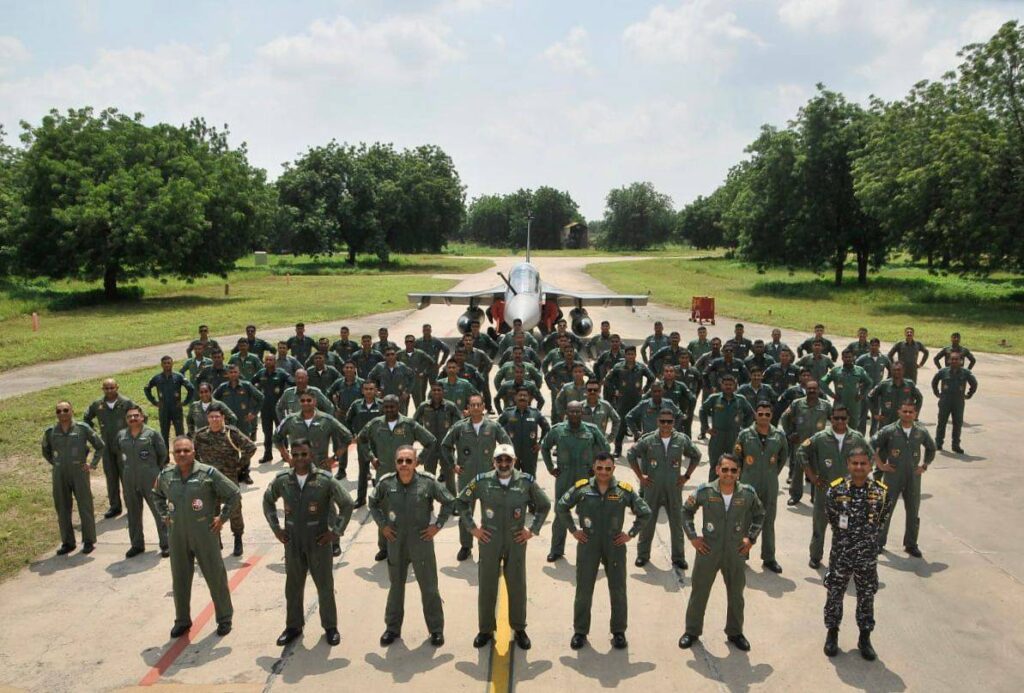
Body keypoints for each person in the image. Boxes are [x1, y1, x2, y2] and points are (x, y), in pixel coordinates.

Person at [456, 444, 551, 650]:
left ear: (514, 461)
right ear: (494, 462)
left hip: (516, 540)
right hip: (489, 540)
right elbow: (462, 502)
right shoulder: (481, 481)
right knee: (487, 585)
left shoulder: (526, 482)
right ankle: (485, 629)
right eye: (500, 460)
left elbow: (544, 505)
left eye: (508, 460)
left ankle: (519, 628)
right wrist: (473, 529)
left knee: (517, 585)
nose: (504, 464)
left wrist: (532, 530)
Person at [264, 438, 354, 647]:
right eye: (295, 455)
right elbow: (268, 501)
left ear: (311, 455)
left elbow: (347, 503)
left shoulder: (325, 480)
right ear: (290, 456)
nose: (299, 459)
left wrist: (336, 532)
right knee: (293, 587)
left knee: (324, 586)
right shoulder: (283, 480)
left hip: (318, 542)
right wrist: (276, 529)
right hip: (293, 541)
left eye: (304, 454)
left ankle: (330, 627)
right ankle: (293, 626)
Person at [558, 452, 651, 650]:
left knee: (618, 589)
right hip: (588, 544)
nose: (603, 472)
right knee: (584, 590)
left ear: (613, 469)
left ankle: (619, 631)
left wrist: (631, 533)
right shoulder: (582, 488)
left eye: (608, 469)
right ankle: (580, 631)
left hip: (614, 545)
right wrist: (574, 531)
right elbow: (561, 507)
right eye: (599, 468)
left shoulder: (623, 490)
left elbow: (645, 512)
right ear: (594, 468)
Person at [152, 435, 239, 638]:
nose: (182, 454)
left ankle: (224, 618)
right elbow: (156, 495)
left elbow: (233, 494)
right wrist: (164, 515)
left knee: (215, 577)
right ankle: (182, 620)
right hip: (177, 534)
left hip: (204, 534)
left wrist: (222, 518)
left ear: (194, 452)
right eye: (178, 451)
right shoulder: (166, 476)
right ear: (173, 454)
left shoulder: (207, 473)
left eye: (186, 450)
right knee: (180, 579)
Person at [679, 454, 765, 652]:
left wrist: (750, 539)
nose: (729, 474)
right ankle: (692, 631)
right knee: (699, 591)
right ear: (717, 470)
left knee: (736, 594)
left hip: (735, 551)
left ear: (739, 473)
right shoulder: (705, 491)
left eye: (733, 470)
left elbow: (760, 514)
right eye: (724, 469)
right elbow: (685, 512)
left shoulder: (747, 493)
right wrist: (693, 537)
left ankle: (735, 632)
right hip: (708, 550)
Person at [372, 446, 455, 648]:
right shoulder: (386, 482)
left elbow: (450, 502)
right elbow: (372, 503)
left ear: (416, 462)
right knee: (396, 587)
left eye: (408, 461)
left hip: (421, 542)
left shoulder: (428, 482)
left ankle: (436, 630)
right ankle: (392, 628)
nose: (404, 465)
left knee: (429, 588)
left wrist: (437, 526)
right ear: (395, 463)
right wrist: (383, 526)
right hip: (396, 542)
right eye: (400, 461)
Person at [822, 446, 891, 661]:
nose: (859, 467)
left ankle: (865, 637)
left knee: (866, 596)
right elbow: (832, 519)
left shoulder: (881, 492)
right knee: (835, 593)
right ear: (848, 465)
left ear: (870, 466)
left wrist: (865, 541)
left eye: (863, 463)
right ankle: (832, 634)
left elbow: (881, 520)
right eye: (855, 463)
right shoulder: (836, 490)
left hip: (867, 555)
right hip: (841, 553)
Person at [359, 395, 437, 560]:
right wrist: (371, 457)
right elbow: (361, 439)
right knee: (384, 512)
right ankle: (384, 547)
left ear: (399, 406)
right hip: (384, 477)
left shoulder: (409, 425)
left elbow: (430, 441)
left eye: (392, 407)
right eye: (386, 407)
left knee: (409, 513)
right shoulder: (375, 424)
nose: (389, 410)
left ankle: (410, 548)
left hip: (408, 477)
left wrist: (419, 460)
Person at [798, 405, 873, 569]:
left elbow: (871, 456)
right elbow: (801, 452)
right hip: (824, 491)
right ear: (830, 419)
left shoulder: (857, 438)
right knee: (819, 525)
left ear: (848, 419)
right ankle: (815, 556)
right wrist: (812, 476)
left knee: (845, 528)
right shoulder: (820, 437)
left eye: (843, 418)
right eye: (836, 418)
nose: (840, 421)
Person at [441, 394, 512, 561]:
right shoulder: (460, 427)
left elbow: (506, 445)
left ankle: (491, 545)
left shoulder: (493, 427)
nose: (475, 408)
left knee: (491, 512)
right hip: (467, 479)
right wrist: (453, 465)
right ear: (467, 408)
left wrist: (501, 466)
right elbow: (445, 446)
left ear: (484, 407)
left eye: (478, 404)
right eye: (472, 405)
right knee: (465, 511)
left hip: (489, 479)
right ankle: (466, 546)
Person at [627, 410, 700, 570]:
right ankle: (642, 555)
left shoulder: (681, 440)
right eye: (663, 421)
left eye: (669, 421)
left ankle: (679, 557)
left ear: (674, 422)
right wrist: (641, 476)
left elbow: (697, 455)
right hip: (652, 488)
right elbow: (631, 454)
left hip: (674, 488)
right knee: (647, 522)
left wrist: (686, 476)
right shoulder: (648, 440)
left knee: (676, 523)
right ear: (657, 422)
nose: (666, 425)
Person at [540, 401, 609, 562]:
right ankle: (556, 549)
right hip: (564, 477)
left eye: (578, 412)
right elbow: (545, 447)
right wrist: (550, 467)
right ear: (566, 412)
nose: (575, 415)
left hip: (585, 477)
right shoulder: (558, 430)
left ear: (582, 412)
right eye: (572, 412)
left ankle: (592, 550)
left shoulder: (591, 430)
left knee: (589, 514)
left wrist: (597, 467)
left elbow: (605, 448)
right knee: (560, 512)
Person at [872, 402, 935, 557]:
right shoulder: (889, 430)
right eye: (905, 411)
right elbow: (871, 445)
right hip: (893, 476)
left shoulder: (920, 431)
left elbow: (931, 448)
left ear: (915, 413)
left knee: (913, 511)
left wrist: (924, 465)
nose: (907, 414)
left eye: (910, 412)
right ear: (899, 412)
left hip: (913, 477)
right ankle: (879, 542)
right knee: (886, 509)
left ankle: (911, 544)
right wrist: (880, 465)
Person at [733, 402, 789, 573]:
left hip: (770, 484)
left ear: (772, 416)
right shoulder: (745, 435)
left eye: (767, 414)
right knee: (745, 520)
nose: (764, 417)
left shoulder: (779, 435)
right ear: (755, 415)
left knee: (768, 520)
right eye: (761, 414)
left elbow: (783, 457)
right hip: (749, 483)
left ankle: (769, 557)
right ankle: (742, 554)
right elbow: (737, 458)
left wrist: (771, 474)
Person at [42, 401, 104, 555]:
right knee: (62, 507)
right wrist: (56, 464)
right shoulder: (50, 432)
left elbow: (100, 445)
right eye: (59, 411)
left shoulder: (82, 428)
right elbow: (45, 451)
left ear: (71, 410)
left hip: (79, 471)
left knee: (85, 505)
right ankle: (68, 542)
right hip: (60, 473)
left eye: (65, 410)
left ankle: (89, 540)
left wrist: (92, 464)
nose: (62, 413)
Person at [194, 408, 257, 556]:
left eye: (217, 416)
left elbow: (251, 447)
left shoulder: (231, 433)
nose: (214, 419)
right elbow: (193, 453)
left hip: (229, 479)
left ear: (223, 417)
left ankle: (238, 538)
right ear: (207, 418)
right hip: (209, 481)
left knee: (234, 510)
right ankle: (216, 540)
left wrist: (240, 465)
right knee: (211, 511)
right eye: (211, 417)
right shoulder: (200, 435)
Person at [113, 405, 169, 558]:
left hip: (150, 476)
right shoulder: (121, 435)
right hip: (129, 477)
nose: (133, 418)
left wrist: (153, 470)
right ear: (126, 419)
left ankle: (166, 543)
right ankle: (137, 544)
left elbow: (162, 454)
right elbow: (119, 452)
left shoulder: (152, 434)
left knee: (159, 510)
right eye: (129, 416)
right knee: (133, 512)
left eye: (136, 416)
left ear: (142, 417)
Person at [83, 378, 136, 519]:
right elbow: (86, 418)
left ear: (117, 387)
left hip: (123, 445)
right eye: (106, 388)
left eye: (112, 387)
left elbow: (141, 417)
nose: (109, 390)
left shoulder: (126, 403)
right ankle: (115, 507)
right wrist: (94, 432)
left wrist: (132, 433)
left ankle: (131, 506)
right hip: (106, 446)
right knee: (111, 476)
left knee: (127, 477)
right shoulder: (97, 405)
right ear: (103, 389)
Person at [780, 379, 832, 506]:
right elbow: (784, 417)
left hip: (818, 446)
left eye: (814, 389)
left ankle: (816, 497)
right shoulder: (797, 404)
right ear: (806, 389)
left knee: (817, 471)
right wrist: (789, 433)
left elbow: (835, 421)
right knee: (797, 471)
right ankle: (795, 496)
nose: (812, 391)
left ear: (819, 390)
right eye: (809, 389)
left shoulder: (825, 405)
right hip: (800, 443)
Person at [699, 374, 755, 480]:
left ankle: (733, 491)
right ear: (721, 385)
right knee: (716, 465)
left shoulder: (740, 399)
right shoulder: (714, 398)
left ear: (735, 385)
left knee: (734, 464)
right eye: (726, 384)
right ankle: (712, 490)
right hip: (717, 436)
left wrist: (744, 430)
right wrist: (706, 428)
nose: (728, 387)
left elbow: (750, 414)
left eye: (731, 384)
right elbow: (702, 411)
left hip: (734, 436)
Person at [605, 346, 654, 457]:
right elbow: (607, 380)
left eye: (632, 354)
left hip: (637, 401)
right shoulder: (618, 367)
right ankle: (618, 449)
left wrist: (645, 390)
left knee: (637, 425)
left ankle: (638, 449)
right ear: (625, 355)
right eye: (628, 354)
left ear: (635, 355)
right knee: (621, 424)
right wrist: (614, 391)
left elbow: (651, 378)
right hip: (622, 401)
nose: (630, 356)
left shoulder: (641, 367)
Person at [413, 382, 462, 486]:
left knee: (450, 480)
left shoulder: (450, 406)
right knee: (428, 479)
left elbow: (459, 424)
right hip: (430, 449)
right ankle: (428, 502)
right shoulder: (424, 406)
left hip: (446, 448)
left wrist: (453, 439)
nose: (436, 392)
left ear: (443, 392)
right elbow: (414, 424)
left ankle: (451, 501)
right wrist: (422, 438)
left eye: (439, 390)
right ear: (430, 392)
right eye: (434, 390)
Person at [345, 380, 383, 507]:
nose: (368, 391)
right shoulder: (356, 405)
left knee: (380, 471)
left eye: (371, 389)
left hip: (379, 443)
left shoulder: (382, 405)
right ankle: (361, 499)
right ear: (362, 391)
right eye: (366, 389)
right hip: (363, 444)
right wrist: (353, 435)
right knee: (363, 471)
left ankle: (379, 498)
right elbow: (348, 420)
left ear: (376, 391)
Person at [932, 351, 979, 454]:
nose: (954, 361)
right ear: (949, 360)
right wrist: (937, 393)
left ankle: (956, 445)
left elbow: (974, 384)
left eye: (956, 359)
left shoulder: (965, 373)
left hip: (958, 402)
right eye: (952, 359)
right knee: (941, 422)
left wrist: (969, 394)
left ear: (961, 361)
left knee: (957, 424)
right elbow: (934, 381)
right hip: (945, 401)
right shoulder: (943, 372)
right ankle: (938, 443)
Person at [498, 388, 551, 478]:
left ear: (529, 398)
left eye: (525, 395)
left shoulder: (536, 413)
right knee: (510, 479)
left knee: (530, 480)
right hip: (512, 454)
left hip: (530, 454)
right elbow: (496, 429)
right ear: (515, 398)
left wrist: (540, 443)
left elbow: (547, 429)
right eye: (520, 395)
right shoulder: (508, 413)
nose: (522, 397)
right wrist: (503, 444)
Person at [252, 353, 293, 463]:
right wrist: (256, 394)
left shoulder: (281, 373)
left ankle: (285, 454)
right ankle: (267, 454)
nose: (268, 362)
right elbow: (251, 384)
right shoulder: (261, 373)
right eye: (267, 360)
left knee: (281, 432)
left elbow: (293, 383)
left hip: (279, 409)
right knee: (267, 432)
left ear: (275, 361)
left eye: (271, 360)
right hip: (265, 409)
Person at [820, 349, 874, 434]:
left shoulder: (859, 370)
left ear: (853, 358)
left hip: (854, 404)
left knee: (853, 428)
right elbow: (822, 382)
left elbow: (869, 382)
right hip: (840, 403)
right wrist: (832, 395)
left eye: (850, 357)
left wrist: (862, 394)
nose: (848, 359)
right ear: (842, 358)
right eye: (846, 357)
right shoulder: (835, 371)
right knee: (837, 426)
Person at [144, 355, 196, 442]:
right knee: (164, 434)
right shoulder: (157, 378)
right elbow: (146, 388)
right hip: (163, 409)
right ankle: (166, 455)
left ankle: (180, 453)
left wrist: (185, 402)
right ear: (161, 365)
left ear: (172, 364)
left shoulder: (178, 376)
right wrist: (154, 402)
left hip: (176, 408)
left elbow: (191, 388)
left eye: (169, 363)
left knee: (180, 433)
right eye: (164, 363)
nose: (167, 365)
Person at [867, 361, 923, 430]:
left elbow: (919, 398)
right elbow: (870, 397)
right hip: (887, 422)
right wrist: (875, 413)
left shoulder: (909, 384)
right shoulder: (884, 384)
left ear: (903, 371)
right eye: (894, 370)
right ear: (891, 371)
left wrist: (915, 414)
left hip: (904, 421)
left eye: (899, 370)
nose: (896, 372)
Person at [855, 338, 892, 434]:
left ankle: (873, 436)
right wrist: (859, 383)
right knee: (862, 415)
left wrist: (886, 383)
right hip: (865, 391)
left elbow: (891, 370)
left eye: (876, 345)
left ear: (879, 346)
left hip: (878, 392)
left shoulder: (883, 358)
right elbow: (855, 370)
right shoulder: (863, 358)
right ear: (869, 346)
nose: (874, 347)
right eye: (872, 345)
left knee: (876, 415)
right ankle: (861, 435)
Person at [369, 346, 417, 415]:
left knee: (401, 421)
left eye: (392, 354)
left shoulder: (402, 366)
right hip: (384, 399)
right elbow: (370, 377)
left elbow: (412, 377)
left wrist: (407, 392)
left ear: (395, 355)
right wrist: (375, 391)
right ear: (384, 356)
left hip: (399, 399)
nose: (390, 356)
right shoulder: (379, 367)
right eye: (388, 355)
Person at [399, 335, 437, 407]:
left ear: (414, 343)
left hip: (416, 383)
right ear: (405, 343)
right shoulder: (400, 354)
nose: (409, 343)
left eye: (411, 341)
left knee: (419, 405)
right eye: (407, 341)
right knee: (403, 406)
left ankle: (419, 418)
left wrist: (424, 372)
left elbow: (432, 362)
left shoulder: (420, 353)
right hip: (404, 384)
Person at [580, 380, 620, 444]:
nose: (592, 392)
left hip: (600, 444)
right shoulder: (579, 406)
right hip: (583, 444)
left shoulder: (606, 405)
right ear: (585, 391)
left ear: (599, 391)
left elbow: (617, 420)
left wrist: (610, 438)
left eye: (595, 390)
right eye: (589, 389)